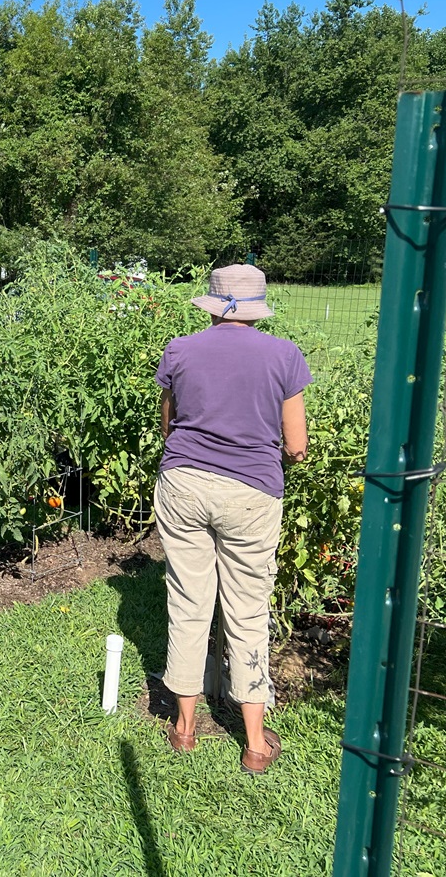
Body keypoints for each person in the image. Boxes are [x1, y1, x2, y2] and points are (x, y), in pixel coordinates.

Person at [152, 263, 310, 774]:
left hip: (184, 485)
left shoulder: (180, 349)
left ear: (214, 304)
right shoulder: (284, 355)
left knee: (188, 601)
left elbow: (168, 425)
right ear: (258, 306)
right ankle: (256, 744)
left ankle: (183, 729)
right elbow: (297, 446)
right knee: (247, 612)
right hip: (252, 492)